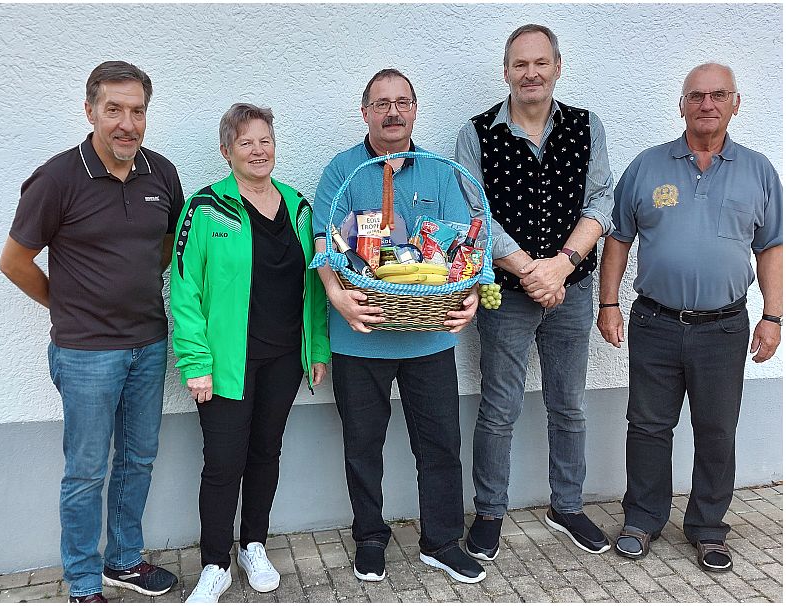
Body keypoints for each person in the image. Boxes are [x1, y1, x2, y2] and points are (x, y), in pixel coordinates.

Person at [0, 61, 182, 602]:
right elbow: (14, 262)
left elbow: (167, 245)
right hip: (86, 354)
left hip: (149, 344)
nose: (127, 123)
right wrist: (68, 304)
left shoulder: (162, 173)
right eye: (114, 110)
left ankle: (124, 561)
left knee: (138, 460)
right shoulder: (57, 178)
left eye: (137, 111)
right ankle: (82, 582)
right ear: (90, 112)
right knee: (85, 471)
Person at [597, 62, 782, 572]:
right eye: (696, 95)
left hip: (724, 328)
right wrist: (608, 304)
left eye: (718, 95)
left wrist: (773, 316)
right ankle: (642, 520)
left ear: (736, 104)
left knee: (717, 430)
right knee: (648, 426)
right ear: (681, 105)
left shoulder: (759, 172)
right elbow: (618, 239)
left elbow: (770, 247)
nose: (707, 104)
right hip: (655, 323)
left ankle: (708, 528)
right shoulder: (647, 166)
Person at [311, 68, 485, 584]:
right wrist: (337, 298)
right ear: (365, 112)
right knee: (363, 446)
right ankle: (369, 536)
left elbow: (466, 246)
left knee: (440, 445)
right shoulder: (342, 171)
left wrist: (472, 297)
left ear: (414, 109)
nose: (393, 112)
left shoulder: (440, 172)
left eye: (402, 102)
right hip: (360, 336)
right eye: (382, 103)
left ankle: (442, 541)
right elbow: (322, 242)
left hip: (428, 337)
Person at [455, 24, 615, 559]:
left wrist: (561, 267)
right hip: (506, 293)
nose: (531, 73)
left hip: (572, 288)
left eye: (540, 63)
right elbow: (476, 213)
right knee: (499, 408)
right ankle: (489, 512)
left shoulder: (586, 126)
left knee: (569, 405)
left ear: (557, 67)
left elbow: (600, 201)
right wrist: (532, 272)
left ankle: (566, 507)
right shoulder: (477, 133)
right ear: (505, 71)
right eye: (520, 64)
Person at [171, 103, 330, 602]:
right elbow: (184, 291)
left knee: (266, 452)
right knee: (223, 463)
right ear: (227, 151)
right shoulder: (204, 208)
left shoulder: (299, 207)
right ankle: (215, 564)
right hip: (226, 365)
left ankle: (253, 544)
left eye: (266, 141)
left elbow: (316, 285)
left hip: (284, 359)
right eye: (246, 142)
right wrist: (195, 362)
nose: (258, 151)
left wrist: (317, 348)